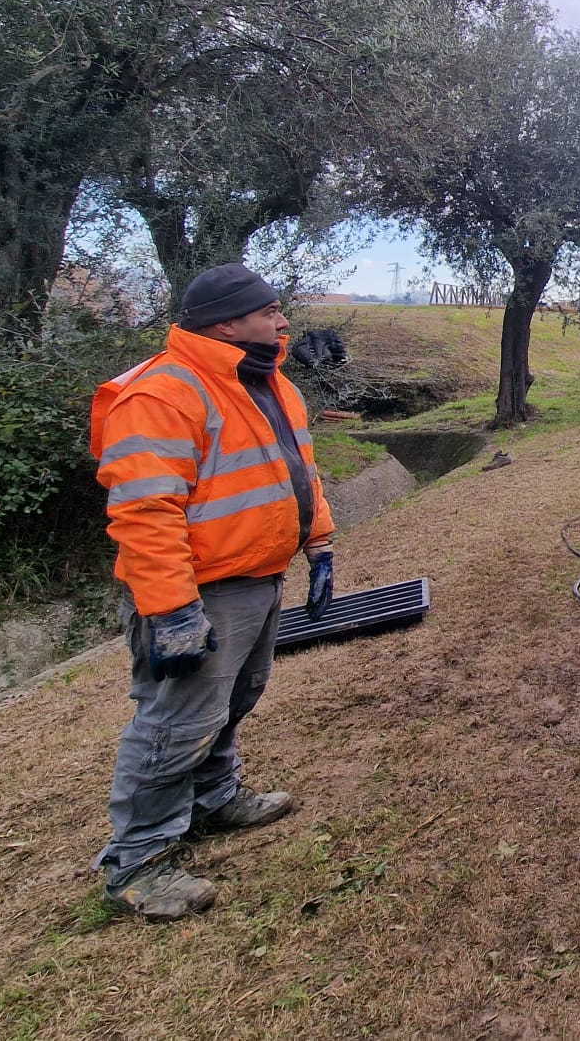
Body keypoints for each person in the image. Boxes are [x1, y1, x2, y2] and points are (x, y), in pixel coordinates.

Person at [89, 263, 337, 921]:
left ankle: (214, 798)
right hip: (198, 593)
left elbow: (297, 471)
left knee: (235, 697)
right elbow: (146, 514)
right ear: (228, 322)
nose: (282, 321)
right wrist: (173, 612)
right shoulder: (162, 393)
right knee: (177, 722)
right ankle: (137, 864)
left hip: (257, 578)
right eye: (269, 311)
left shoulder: (266, 383)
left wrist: (320, 546)